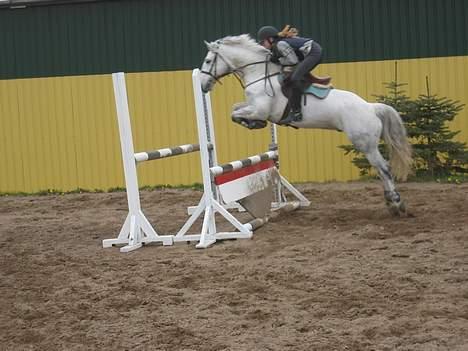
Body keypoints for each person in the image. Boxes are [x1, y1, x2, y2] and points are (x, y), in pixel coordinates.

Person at [257, 25, 323, 124]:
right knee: (290, 77)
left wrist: (277, 60)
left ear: (270, 39)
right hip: (309, 53)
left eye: (263, 42)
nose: (262, 45)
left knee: (294, 79)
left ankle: (296, 112)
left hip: (314, 53)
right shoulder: (277, 45)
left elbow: (293, 61)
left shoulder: (280, 44)